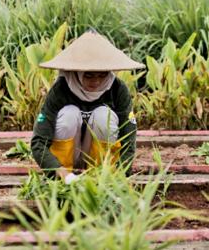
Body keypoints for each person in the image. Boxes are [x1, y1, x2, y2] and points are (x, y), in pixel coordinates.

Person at [31, 30, 144, 181]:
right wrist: (59, 172)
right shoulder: (61, 90)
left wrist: (120, 175)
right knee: (69, 114)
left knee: (104, 115)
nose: (96, 82)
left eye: (101, 75)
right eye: (89, 75)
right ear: (77, 72)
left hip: (101, 164)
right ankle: (65, 175)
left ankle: (102, 172)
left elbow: (129, 138)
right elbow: (39, 141)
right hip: (66, 166)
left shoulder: (117, 89)